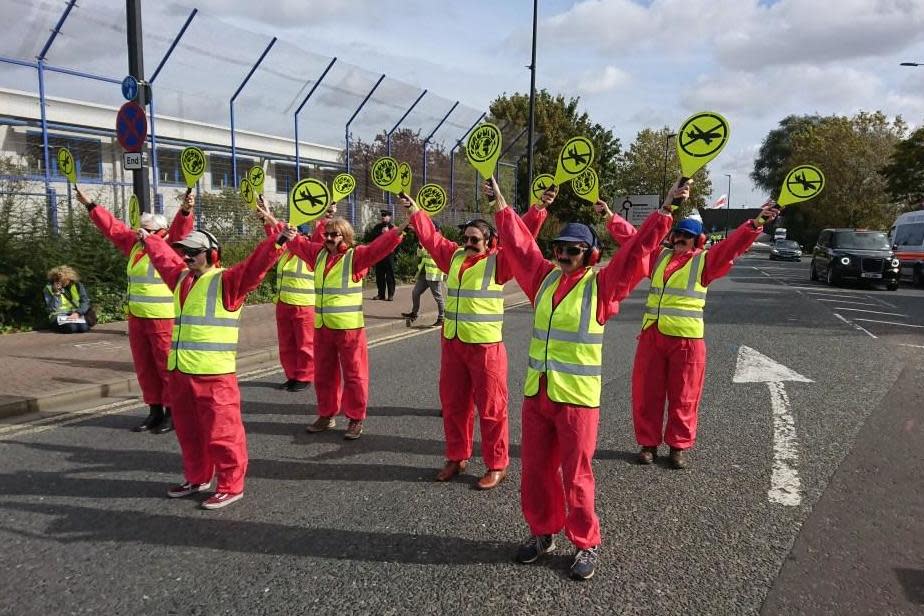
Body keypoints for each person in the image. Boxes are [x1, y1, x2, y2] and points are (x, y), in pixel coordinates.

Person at [491, 175, 677, 581]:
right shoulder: (543, 278)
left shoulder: (603, 286)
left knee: (576, 475)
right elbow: (520, 247)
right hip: (537, 394)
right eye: (558, 248)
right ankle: (543, 533)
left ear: (589, 254)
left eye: (572, 249)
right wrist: (502, 206)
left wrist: (663, 213)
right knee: (536, 472)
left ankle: (586, 542)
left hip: (577, 399)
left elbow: (636, 253)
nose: (562, 254)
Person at [400, 183, 554, 490]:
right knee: (454, 404)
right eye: (465, 238)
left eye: (475, 239)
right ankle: (457, 457)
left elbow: (521, 239)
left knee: (492, 408)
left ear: (490, 242)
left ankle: (497, 464)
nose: (468, 242)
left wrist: (537, 209)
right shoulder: (454, 258)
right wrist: (415, 210)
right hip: (454, 346)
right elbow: (431, 238)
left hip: (486, 349)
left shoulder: (500, 262)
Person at [138, 217, 294, 510]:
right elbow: (164, 259)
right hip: (181, 372)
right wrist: (149, 240)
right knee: (188, 432)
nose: (187, 257)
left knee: (223, 433)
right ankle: (197, 478)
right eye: (184, 251)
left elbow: (255, 267)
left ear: (212, 254)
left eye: (194, 252)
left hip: (214, 375)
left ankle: (231, 485)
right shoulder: (182, 278)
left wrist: (278, 241)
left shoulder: (228, 281)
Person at [630, 198, 779, 469]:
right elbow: (634, 240)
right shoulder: (658, 258)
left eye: (687, 236)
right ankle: (648, 444)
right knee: (646, 393)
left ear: (697, 240)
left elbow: (731, 246)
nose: (680, 239)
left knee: (685, 395)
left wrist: (756, 223)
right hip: (652, 337)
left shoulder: (705, 262)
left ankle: (678, 447)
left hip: (686, 341)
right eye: (677, 234)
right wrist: (608, 217)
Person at [77, 187, 194, 433]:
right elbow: (112, 227)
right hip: (137, 317)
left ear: (155, 230)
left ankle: (173, 413)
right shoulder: (135, 245)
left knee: (165, 367)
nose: (135, 229)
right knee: (144, 367)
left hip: (163, 318)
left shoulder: (171, 245)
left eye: (142, 226)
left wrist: (185, 210)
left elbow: (181, 229)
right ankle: (154, 411)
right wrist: (90, 205)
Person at [286, 213, 409, 440]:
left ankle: (355, 418)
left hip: (349, 329)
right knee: (324, 374)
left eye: (335, 234)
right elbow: (297, 244)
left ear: (346, 236)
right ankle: (326, 414)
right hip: (323, 327)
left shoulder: (355, 256)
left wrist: (400, 228)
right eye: (327, 234)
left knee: (354, 375)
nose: (330, 238)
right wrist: (274, 223)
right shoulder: (318, 254)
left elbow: (378, 248)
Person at [257, 197, 315, 393]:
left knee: (305, 344)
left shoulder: (309, 251)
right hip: (284, 304)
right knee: (287, 344)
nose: (290, 236)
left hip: (304, 306)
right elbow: (274, 236)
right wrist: (267, 213)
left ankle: (305, 376)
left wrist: (271, 217)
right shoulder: (285, 251)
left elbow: (281, 232)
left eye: (295, 233)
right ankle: (292, 375)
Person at [401, 238, 445, 327]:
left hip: (434, 275)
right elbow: (419, 254)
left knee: (438, 297)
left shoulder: (439, 243)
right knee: (415, 293)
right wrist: (420, 247)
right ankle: (414, 313)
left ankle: (441, 318)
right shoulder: (426, 242)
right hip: (424, 274)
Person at [43, 265, 92, 334]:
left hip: (74, 313)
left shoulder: (77, 285)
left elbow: (85, 301)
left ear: (69, 278)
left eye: (64, 281)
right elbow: (52, 309)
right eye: (59, 281)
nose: (62, 284)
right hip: (58, 315)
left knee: (83, 328)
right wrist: (56, 294)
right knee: (71, 328)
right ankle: (54, 326)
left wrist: (77, 313)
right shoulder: (48, 288)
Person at [370, 209, 397, 300]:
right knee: (379, 275)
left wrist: (388, 233)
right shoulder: (378, 227)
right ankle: (381, 294)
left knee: (390, 275)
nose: (383, 217)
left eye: (385, 215)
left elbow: (397, 239)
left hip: (389, 254)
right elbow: (372, 237)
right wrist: (381, 232)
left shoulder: (393, 228)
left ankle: (390, 295)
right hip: (379, 254)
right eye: (382, 215)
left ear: (389, 217)